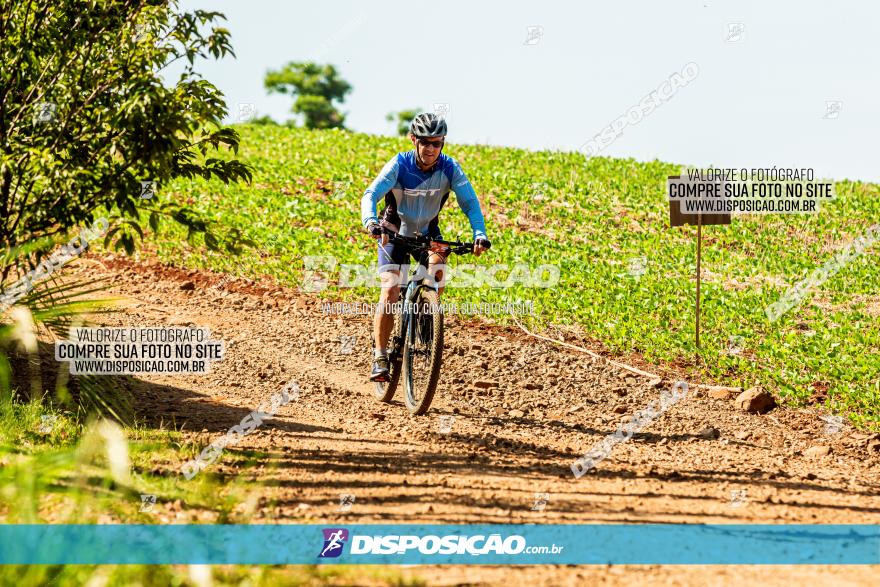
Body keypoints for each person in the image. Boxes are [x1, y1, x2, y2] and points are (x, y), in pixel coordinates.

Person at [361, 112, 490, 381]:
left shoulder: (450, 167)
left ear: (442, 143)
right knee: (390, 288)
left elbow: (470, 204)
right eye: (425, 142)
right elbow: (371, 194)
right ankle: (380, 356)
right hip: (393, 233)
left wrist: (479, 234)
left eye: (437, 143)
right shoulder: (400, 164)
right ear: (413, 140)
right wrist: (371, 222)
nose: (431, 149)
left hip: (427, 234)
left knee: (437, 270)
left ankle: (425, 313)